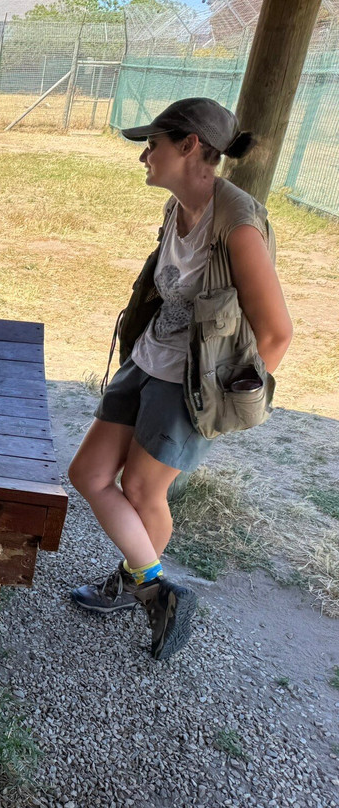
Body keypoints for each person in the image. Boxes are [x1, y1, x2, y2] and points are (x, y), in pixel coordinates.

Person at [68, 98, 293, 660]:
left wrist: (224, 404)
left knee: (143, 490)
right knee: (89, 473)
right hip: (148, 359)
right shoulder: (178, 207)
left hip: (190, 384)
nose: (144, 155)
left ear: (190, 146)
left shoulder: (238, 225)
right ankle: (152, 585)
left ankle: (136, 585)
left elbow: (276, 334)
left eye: (154, 144)